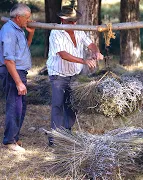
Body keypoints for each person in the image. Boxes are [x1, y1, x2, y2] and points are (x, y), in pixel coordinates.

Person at [46, 6, 103, 145]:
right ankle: (55, 139)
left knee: (72, 105)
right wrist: (84, 61)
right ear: (62, 19)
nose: (73, 24)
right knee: (58, 106)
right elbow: (63, 54)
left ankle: (67, 133)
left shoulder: (78, 30)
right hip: (58, 74)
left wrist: (96, 52)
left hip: (74, 74)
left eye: (74, 21)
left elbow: (90, 44)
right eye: (70, 21)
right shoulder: (55, 32)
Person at [0, 3, 35, 152]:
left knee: (20, 107)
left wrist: (31, 33)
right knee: (14, 106)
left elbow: (24, 48)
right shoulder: (8, 31)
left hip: (20, 71)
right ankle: (9, 141)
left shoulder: (18, 30)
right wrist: (19, 82)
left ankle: (14, 137)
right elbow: (8, 60)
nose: (29, 20)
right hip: (13, 72)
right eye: (27, 17)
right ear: (18, 17)